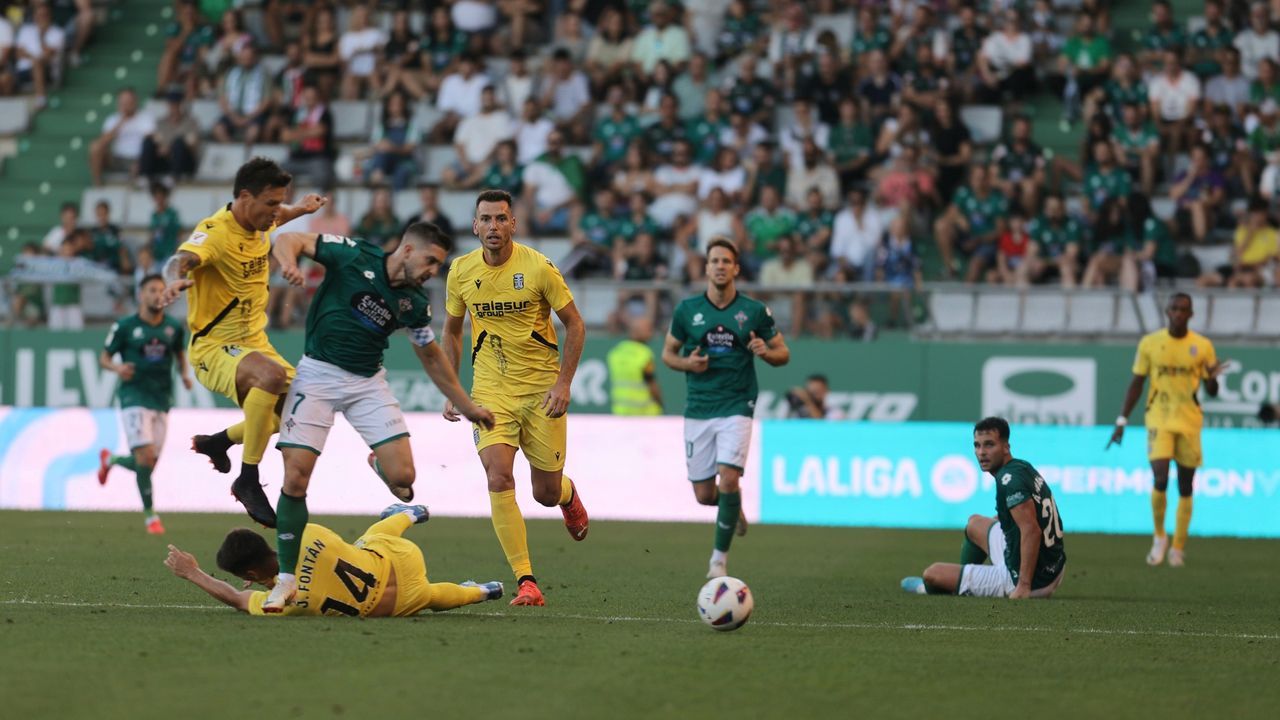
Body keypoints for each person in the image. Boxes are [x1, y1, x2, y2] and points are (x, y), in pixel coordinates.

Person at [257, 223, 495, 612]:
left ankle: (380, 464)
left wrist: (465, 405)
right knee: (296, 476)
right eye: (430, 260)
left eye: (439, 264)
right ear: (406, 250)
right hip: (317, 374)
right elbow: (288, 239)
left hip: (368, 383)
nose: (433, 270)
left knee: (404, 481)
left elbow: (432, 356)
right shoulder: (353, 254)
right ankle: (285, 580)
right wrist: (288, 264)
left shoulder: (415, 304)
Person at [439, 189, 590, 607]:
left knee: (544, 491)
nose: (493, 226)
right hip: (490, 393)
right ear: (474, 226)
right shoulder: (460, 272)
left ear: (513, 224)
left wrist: (563, 385)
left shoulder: (539, 267)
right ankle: (526, 580)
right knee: (498, 475)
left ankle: (567, 495)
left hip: (542, 393)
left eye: (501, 219)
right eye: (485, 219)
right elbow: (451, 330)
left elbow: (575, 326)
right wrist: (453, 386)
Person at [160, 158, 325, 528]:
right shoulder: (215, 232)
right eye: (271, 203)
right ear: (245, 197)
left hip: (254, 341)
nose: (275, 212)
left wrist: (300, 209)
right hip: (214, 348)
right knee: (268, 377)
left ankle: (218, 442)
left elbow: (278, 216)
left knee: (302, 408)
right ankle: (248, 480)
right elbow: (181, 260)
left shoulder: (259, 220)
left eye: (279, 202)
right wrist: (173, 279)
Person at [661, 238, 790, 579]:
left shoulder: (755, 311)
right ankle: (732, 508)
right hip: (699, 407)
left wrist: (765, 352)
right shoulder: (687, 311)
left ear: (736, 269)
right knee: (705, 496)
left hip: (737, 403)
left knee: (729, 477)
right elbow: (668, 355)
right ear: (706, 268)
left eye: (726, 261)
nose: (720, 265)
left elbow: (783, 354)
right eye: (714, 260)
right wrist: (689, 364)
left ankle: (718, 560)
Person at [163, 505, 506, 617]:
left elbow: (237, 599)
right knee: (369, 539)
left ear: (250, 574)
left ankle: (481, 591)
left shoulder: (282, 604)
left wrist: (192, 572)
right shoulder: (308, 532)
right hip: (399, 558)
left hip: (397, 603)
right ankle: (410, 515)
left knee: (431, 596)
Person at [1109, 294, 1227, 568]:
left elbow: (1212, 390)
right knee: (1160, 477)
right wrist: (1122, 420)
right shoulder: (1150, 343)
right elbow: (1137, 383)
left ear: (1191, 314)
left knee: (1186, 485)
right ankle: (1160, 536)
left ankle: (1178, 547)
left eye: (1184, 310)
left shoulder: (1202, 346)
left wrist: (1212, 377)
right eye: (1174, 309)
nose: (1178, 314)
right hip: (1159, 418)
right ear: (1167, 311)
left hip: (1189, 421)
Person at [901, 417, 1066, 599]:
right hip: (1052, 566)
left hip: (1028, 579)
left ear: (1005, 447)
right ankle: (964, 577)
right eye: (977, 446)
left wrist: (1023, 586)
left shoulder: (1009, 481)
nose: (982, 452)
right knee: (975, 523)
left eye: (989, 445)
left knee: (932, 574)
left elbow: (1031, 530)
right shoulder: (1020, 467)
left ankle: (949, 587)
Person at [96, 274, 192, 535]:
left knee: (148, 463)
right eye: (151, 290)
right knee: (145, 456)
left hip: (161, 398)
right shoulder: (125, 326)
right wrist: (117, 368)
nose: (157, 295)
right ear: (141, 294)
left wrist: (184, 375)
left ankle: (112, 459)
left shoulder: (173, 327)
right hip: (133, 396)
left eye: (161, 290)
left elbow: (180, 354)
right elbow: (104, 358)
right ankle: (151, 516)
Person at [607, 315, 662, 416]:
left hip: (620, 412)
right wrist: (660, 403)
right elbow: (651, 384)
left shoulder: (616, 351)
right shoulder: (644, 353)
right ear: (636, 331)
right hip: (645, 414)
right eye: (648, 329)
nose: (651, 333)